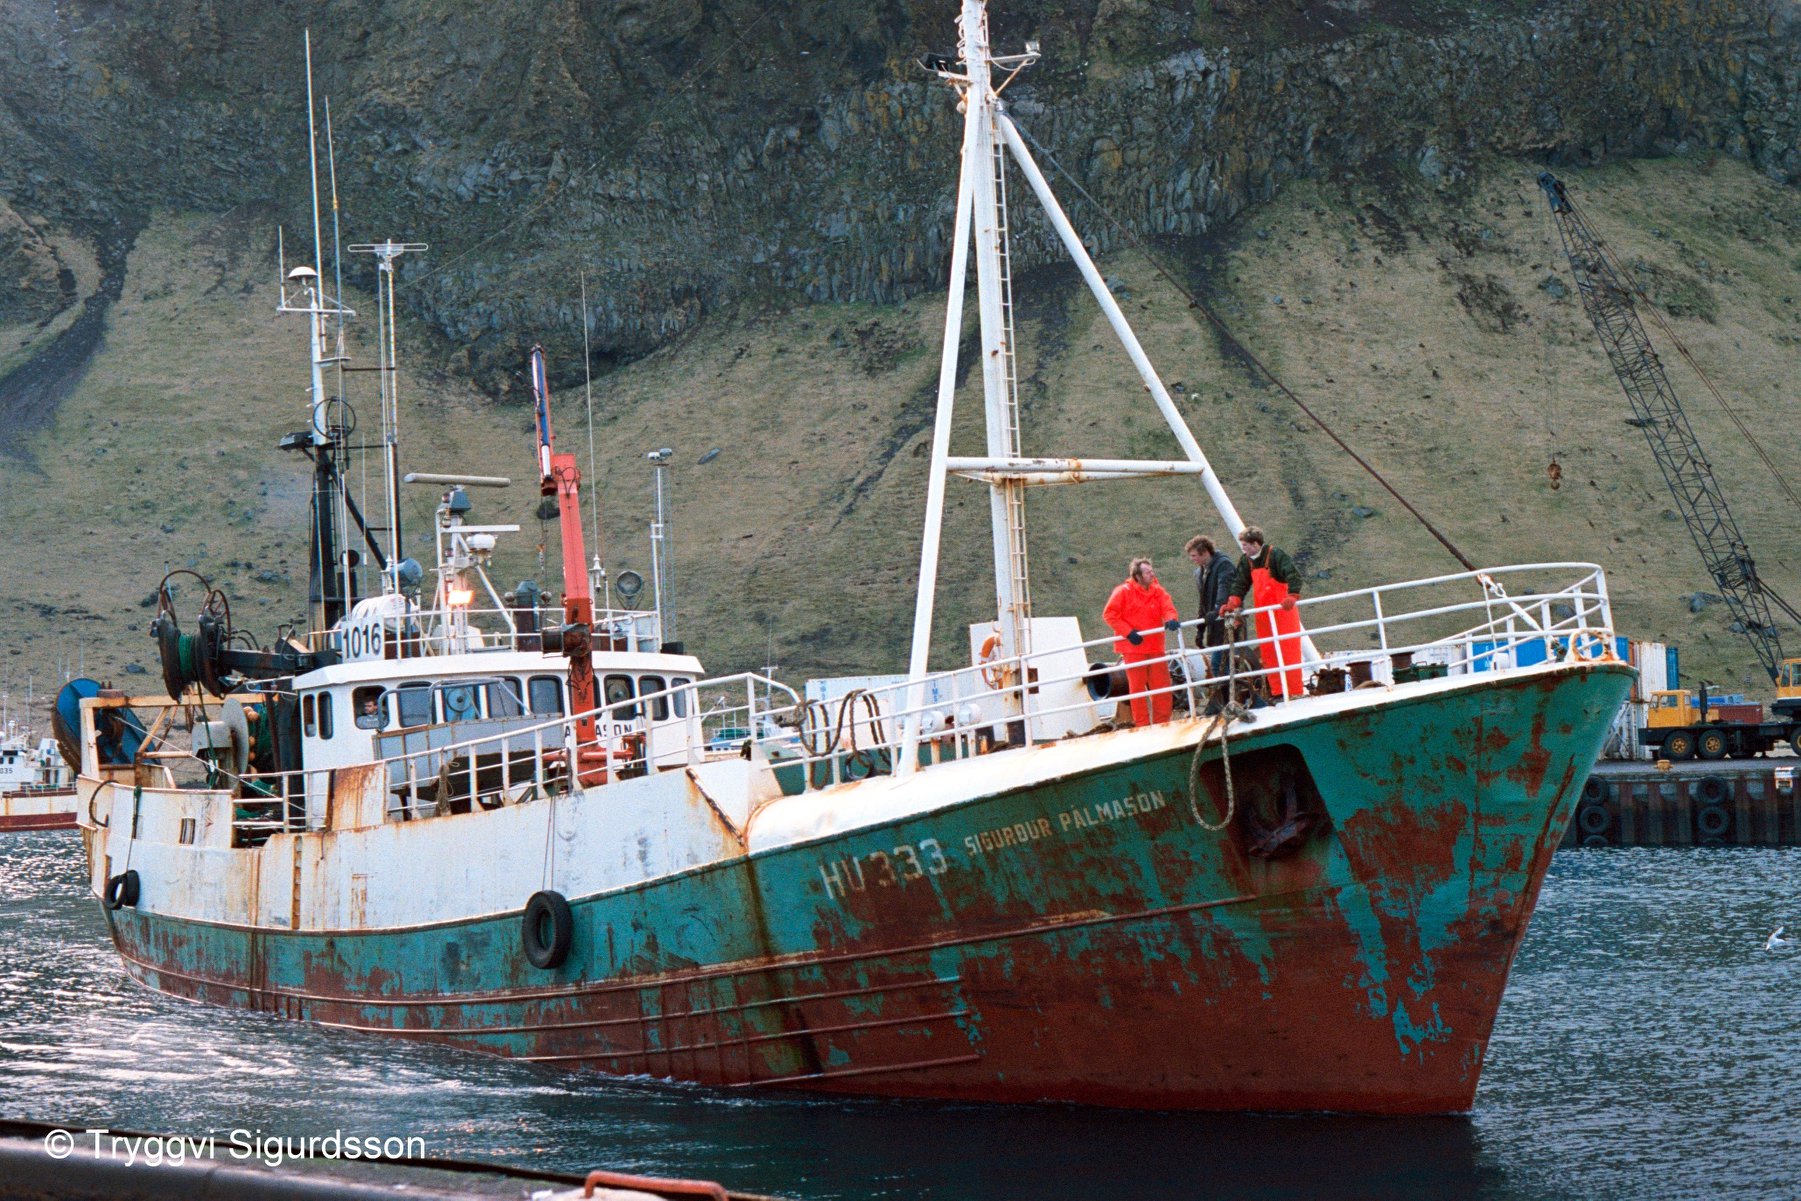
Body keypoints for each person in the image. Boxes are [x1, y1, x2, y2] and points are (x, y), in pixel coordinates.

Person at [1219, 525, 1306, 700]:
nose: (1243, 549)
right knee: (1268, 651)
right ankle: (1278, 692)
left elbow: (1293, 575)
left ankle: (1295, 691)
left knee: (1289, 650)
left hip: (1284, 611)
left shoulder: (1275, 555)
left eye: (1245, 545)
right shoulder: (1246, 561)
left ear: (1255, 543)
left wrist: (1292, 595)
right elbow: (1240, 583)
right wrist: (1232, 602)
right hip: (1263, 613)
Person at [1102, 557, 1182, 726]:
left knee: (1162, 687)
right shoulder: (1123, 591)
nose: (1152, 574)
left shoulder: (1158, 591)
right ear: (1137, 576)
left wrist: (1171, 619)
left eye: (1152, 571)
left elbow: (1167, 607)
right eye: (1147, 572)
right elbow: (1110, 614)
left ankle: (1162, 723)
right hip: (1133, 648)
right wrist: (1128, 632)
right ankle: (1142, 725)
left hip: (1155, 647)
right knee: (1137, 690)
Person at [1186, 534, 1236, 675]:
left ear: (1205, 552)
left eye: (1194, 555)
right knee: (1221, 665)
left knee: (1218, 664)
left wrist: (1217, 609)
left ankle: (1232, 688)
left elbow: (1224, 588)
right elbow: (1203, 602)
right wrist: (1200, 629)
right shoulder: (1200, 572)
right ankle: (1232, 688)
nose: (1192, 559)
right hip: (1215, 623)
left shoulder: (1223, 565)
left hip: (1228, 620)